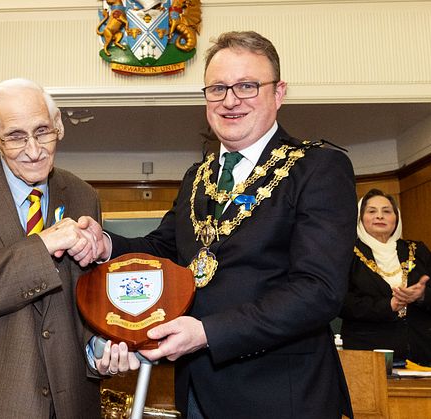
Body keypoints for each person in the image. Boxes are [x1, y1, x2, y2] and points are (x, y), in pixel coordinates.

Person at [98, 31, 358, 418]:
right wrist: (104, 244)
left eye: (247, 86)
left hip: (284, 397)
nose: (230, 100)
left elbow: (318, 290)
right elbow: (163, 252)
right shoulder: (196, 176)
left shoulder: (317, 168)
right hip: (196, 394)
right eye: (217, 88)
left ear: (279, 92)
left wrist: (207, 333)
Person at [0, 78, 138, 419]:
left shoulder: (82, 195)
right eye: (17, 136)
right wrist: (42, 246)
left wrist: (98, 347)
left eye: (43, 132)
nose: (34, 150)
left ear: (59, 125)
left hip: (71, 402)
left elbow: (84, 302)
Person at [339, 188, 431, 367]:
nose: (380, 216)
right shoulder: (346, 254)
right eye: (372, 211)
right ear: (360, 218)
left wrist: (422, 295)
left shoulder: (417, 250)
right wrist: (389, 305)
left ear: (396, 217)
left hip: (425, 351)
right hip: (370, 355)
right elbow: (341, 303)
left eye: (386, 211)